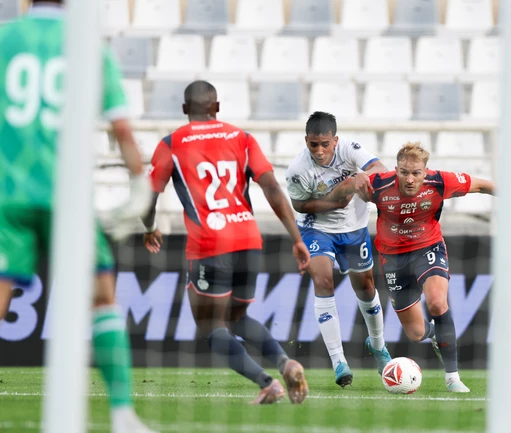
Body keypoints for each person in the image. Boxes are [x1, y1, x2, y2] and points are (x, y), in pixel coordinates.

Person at [0, 1, 156, 432]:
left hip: (8, 193)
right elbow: (121, 128)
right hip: (65, 195)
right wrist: (138, 186)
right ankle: (122, 415)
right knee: (102, 296)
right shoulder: (88, 46)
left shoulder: (4, 39)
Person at [329, 142, 511, 392]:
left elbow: (483, 185)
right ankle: (437, 333)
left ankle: (452, 377)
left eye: (416, 173)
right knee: (415, 333)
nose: (410, 179)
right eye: (404, 172)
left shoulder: (440, 182)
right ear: (396, 170)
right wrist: (349, 185)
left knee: (437, 302)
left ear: (426, 171)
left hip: (428, 248)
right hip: (393, 259)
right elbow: (340, 191)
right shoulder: (379, 184)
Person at [142, 80, 311, 405]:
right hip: (248, 240)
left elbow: (148, 197)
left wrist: (150, 227)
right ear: (217, 107)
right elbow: (272, 188)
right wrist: (296, 239)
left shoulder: (172, 143)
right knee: (237, 317)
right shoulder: (242, 138)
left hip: (209, 244)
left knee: (211, 327)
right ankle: (285, 362)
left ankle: (267, 384)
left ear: (185, 108)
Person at [285, 111, 392, 387]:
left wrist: (362, 178)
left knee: (366, 288)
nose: (319, 151)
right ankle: (338, 361)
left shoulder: (350, 149)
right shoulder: (298, 169)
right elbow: (300, 206)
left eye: (325, 144)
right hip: (316, 228)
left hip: (354, 228)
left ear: (335, 140)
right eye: (313, 145)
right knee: (323, 280)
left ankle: (378, 345)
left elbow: (379, 168)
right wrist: (337, 199)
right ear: (306, 141)